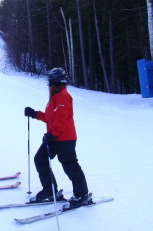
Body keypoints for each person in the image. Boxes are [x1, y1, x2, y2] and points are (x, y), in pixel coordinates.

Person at [24, 67, 92, 209]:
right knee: (40, 160)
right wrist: (35, 114)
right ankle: (50, 191)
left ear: (57, 81)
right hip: (54, 137)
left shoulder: (63, 96)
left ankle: (82, 195)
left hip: (65, 138)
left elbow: (61, 121)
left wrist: (52, 134)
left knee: (70, 166)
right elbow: (51, 118)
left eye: (50, 82)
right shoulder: (56, 95)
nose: (48, 84)